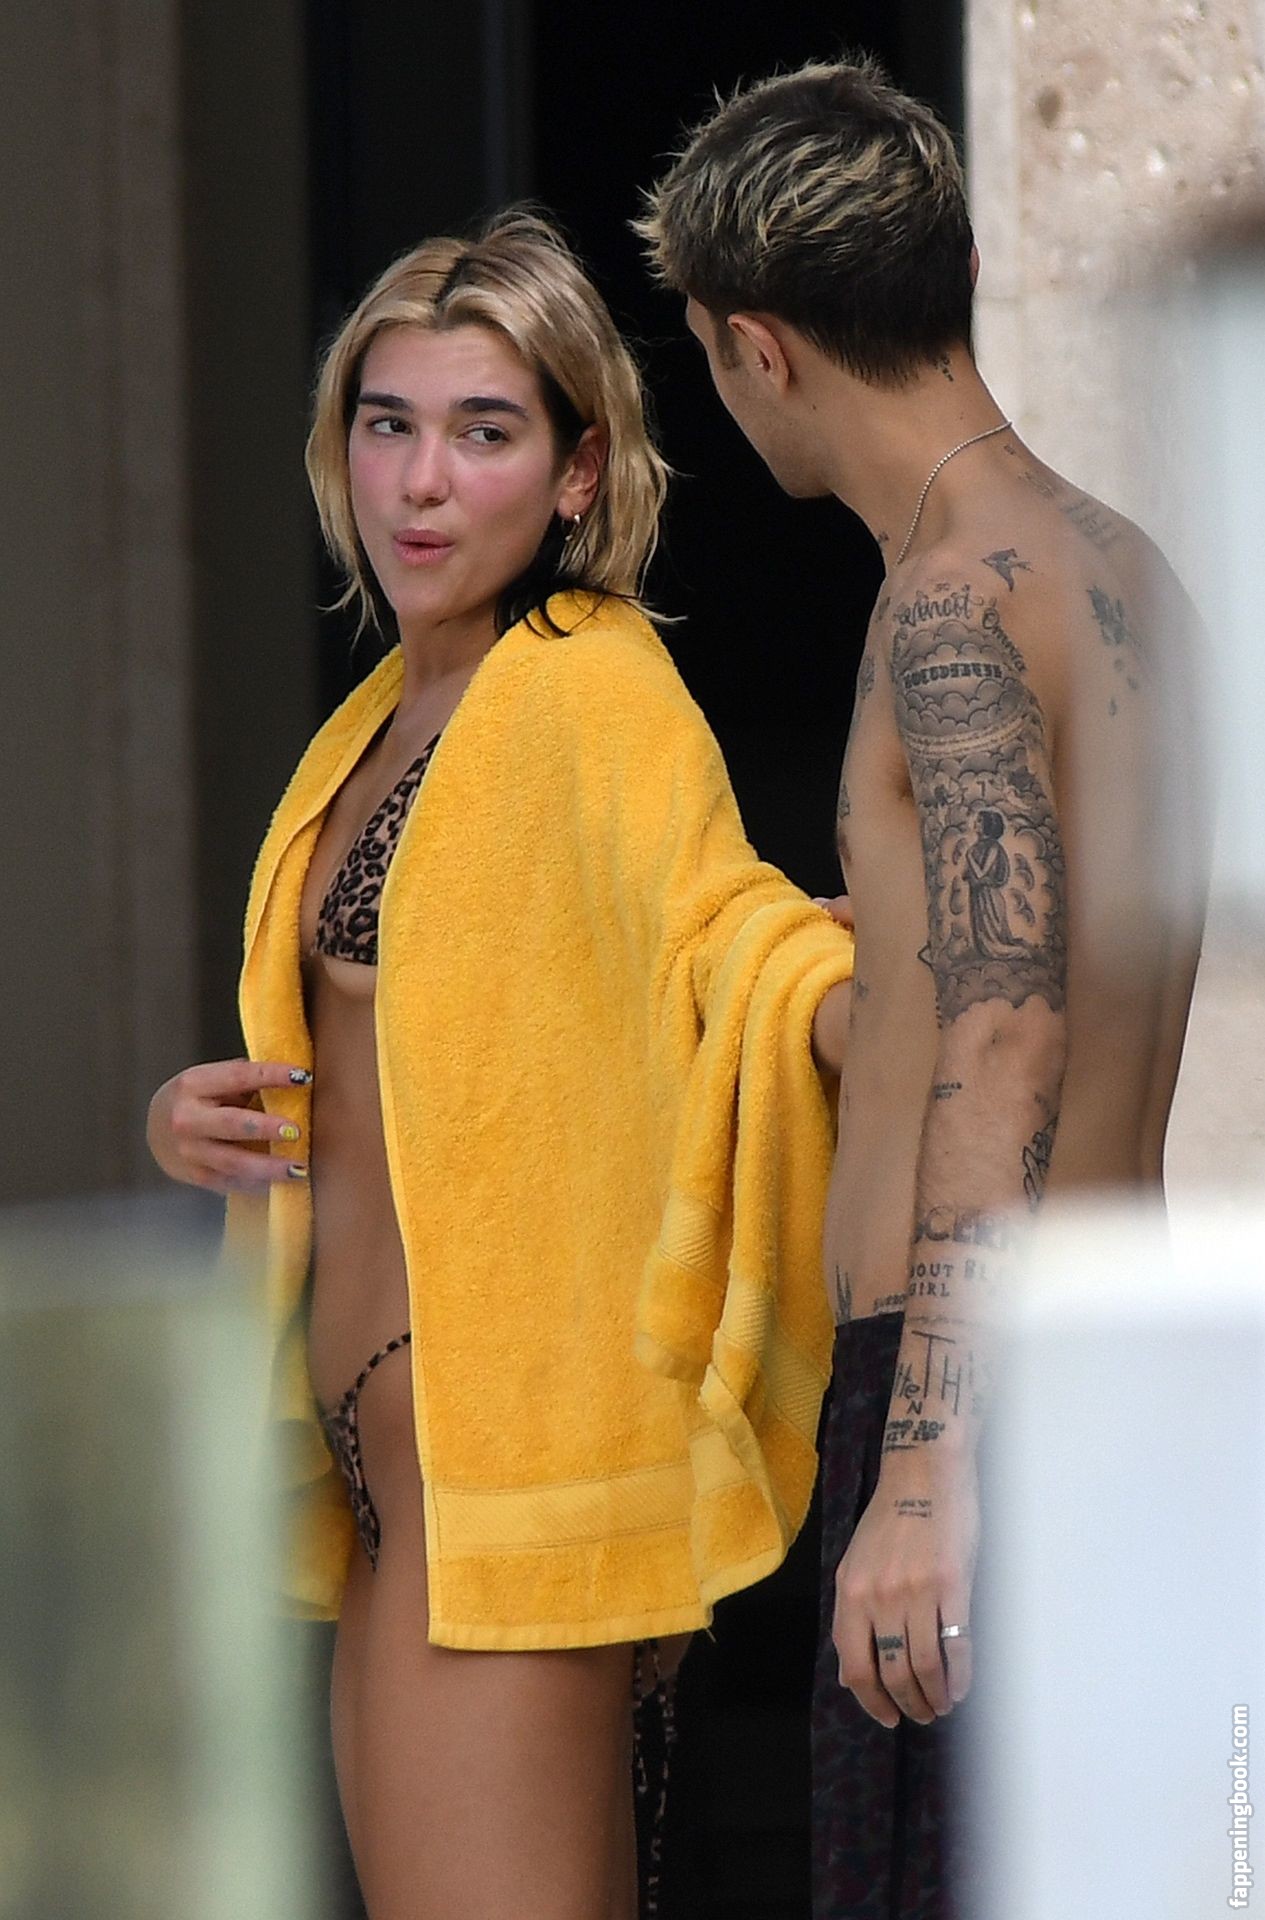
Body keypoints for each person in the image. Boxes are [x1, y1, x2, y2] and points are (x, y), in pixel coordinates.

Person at [146, 211, 854, 1920]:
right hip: (393, 1474)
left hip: (504, 1475)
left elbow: (720, 940)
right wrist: (195, 1119)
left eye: (483, 433)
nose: (420, 482)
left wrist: (886, 981)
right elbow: (377, 1043)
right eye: (386, 424)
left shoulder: (589, 690)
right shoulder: (384, 719)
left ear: (577, 474)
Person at [638, 56, 1204, 1919]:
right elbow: (1049, 959)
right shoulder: (1129, 571)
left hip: (975, 1398)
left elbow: (1007, 1018)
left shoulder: (949, 599)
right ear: (953, 269)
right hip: (1112, 1377)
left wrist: (921, 1468)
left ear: (756, 350)